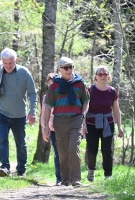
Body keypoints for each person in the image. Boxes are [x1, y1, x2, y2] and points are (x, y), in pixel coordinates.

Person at [0, 48, 37, 178]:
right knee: (2, 140)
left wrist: (32, 111)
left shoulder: (24, 72)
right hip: (1, 113)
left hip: (19, 115)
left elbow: (32, 92)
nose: (8, 66)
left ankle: (21, 169)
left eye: (11, 63)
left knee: (20, 143)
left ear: (16, 60)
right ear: (2, 61)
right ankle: (5, 167)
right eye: (5, 63)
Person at [42, 57, 90, 188]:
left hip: (76, 119)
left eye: (71, 67)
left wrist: (83, 114)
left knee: (74, 147)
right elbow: (47, 108)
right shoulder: (54, 86)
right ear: (60, 69)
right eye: (66, 67)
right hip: (59, 121)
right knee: (63, 151)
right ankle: (65, 179)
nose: (69, 70)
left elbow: (86, 100)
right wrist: (46, 127)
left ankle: (76, 179)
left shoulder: (80, 83)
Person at [83, 65, 124, 182]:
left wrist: (120, 127)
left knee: (107, 149)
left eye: (105, 74)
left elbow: (116, 110)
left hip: (107, 123)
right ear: (96, 77)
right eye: (100, 74)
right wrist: (83, 124)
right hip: (91, 123)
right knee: (92, 149)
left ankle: (108, 175)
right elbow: (85, 109)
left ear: (108, 76)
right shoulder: (90, 90)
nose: (102, 76)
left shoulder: (112, 92)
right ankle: (91, 171)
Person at [41, 72, 62, 186]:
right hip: (52, 128)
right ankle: (59, 178)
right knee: (57, 153)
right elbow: (44, 114)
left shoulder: (63, 95)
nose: (52, 87)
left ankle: (68, 176)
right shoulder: (46, 97)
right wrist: (44, 129)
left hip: (64, 127)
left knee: (67, 152)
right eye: (50, 85)